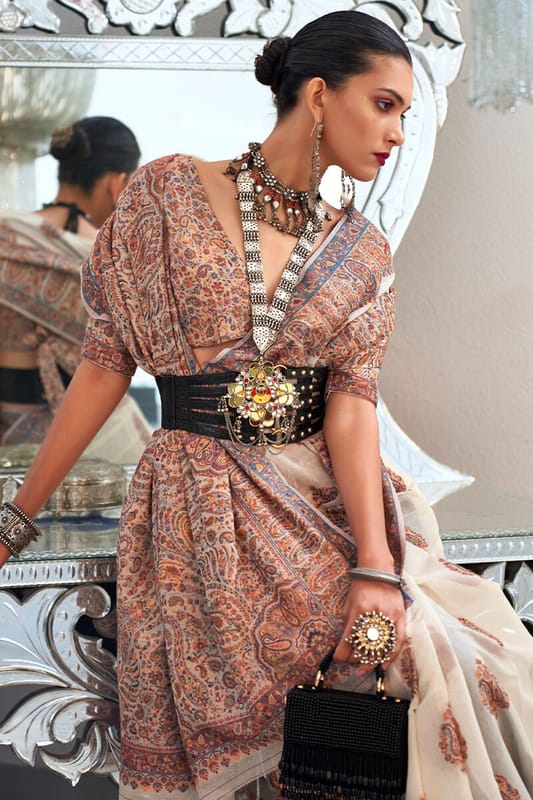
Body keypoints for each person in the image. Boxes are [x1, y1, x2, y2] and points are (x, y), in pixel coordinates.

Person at [0, 11, 532, 800]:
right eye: (384, 104)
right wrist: (16, 520)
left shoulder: (361, 250)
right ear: (318, 95)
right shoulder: (168, 194)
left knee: (440, 658)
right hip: (194, 511)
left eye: (403, 114)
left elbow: (351, 407)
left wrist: (373, 567)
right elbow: (105, 365)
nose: (395, 132)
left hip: (316, 509)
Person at [0, 116, 151, 462]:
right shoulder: (110, 258)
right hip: (85, 440)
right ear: (117, 182)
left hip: (6, 441)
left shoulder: (7, 235)